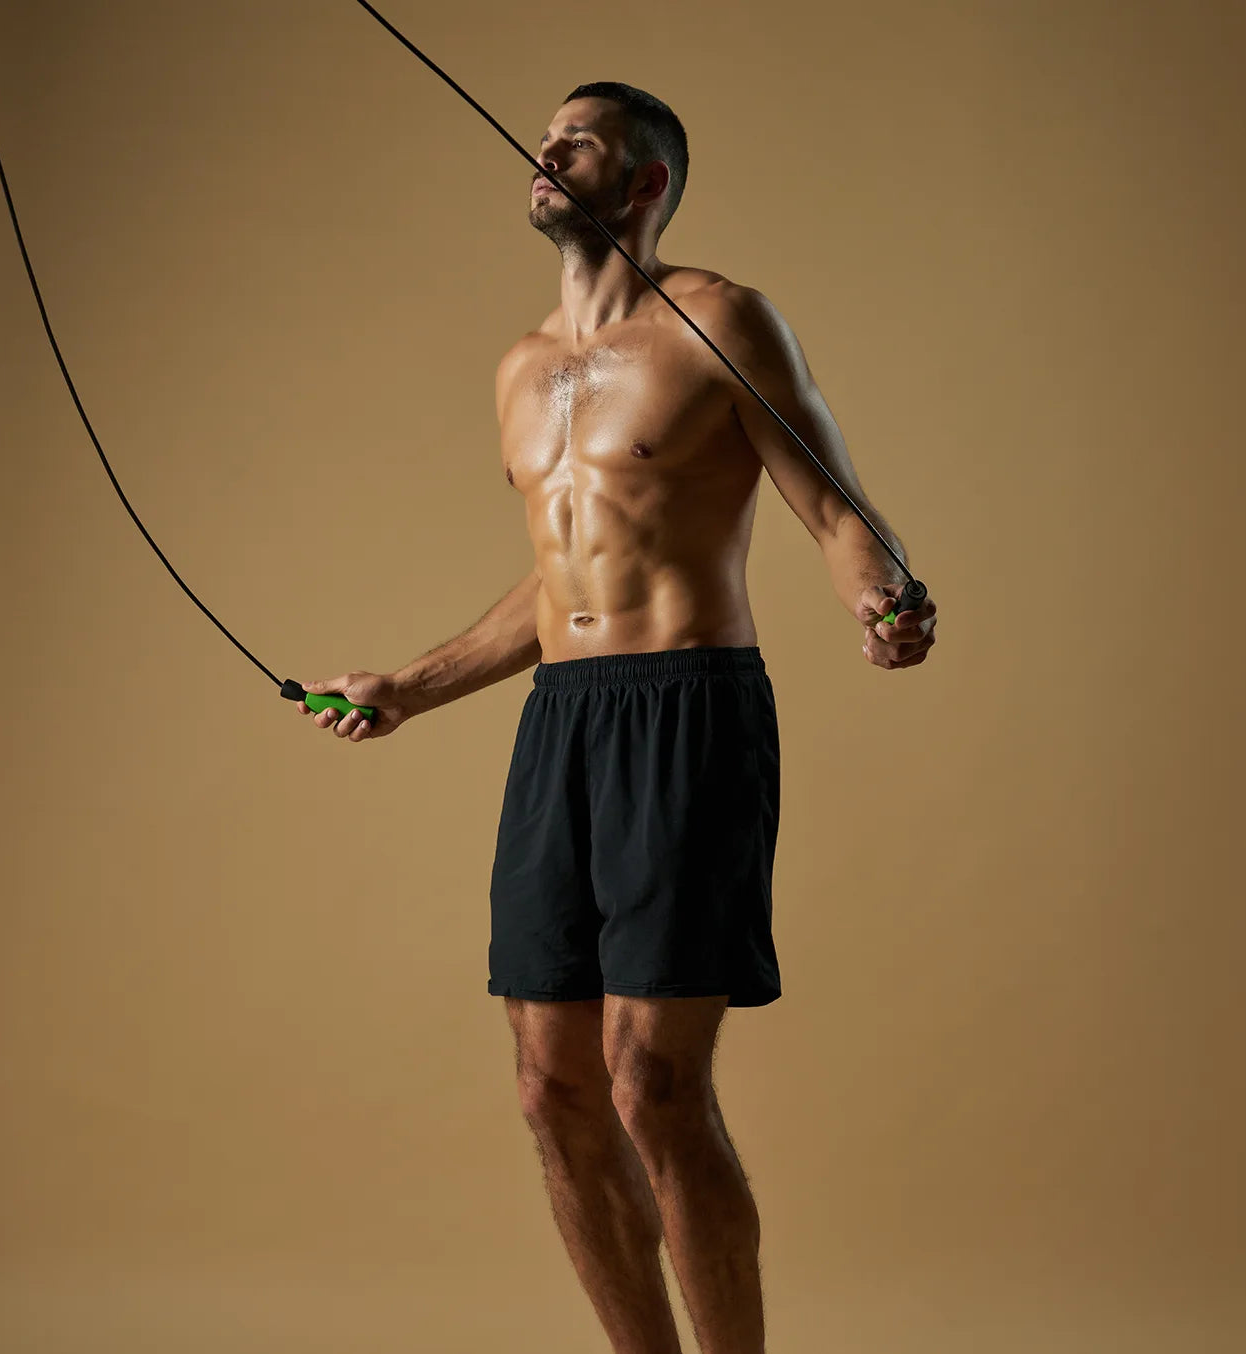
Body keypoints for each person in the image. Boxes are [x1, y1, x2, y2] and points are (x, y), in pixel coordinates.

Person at [295, 81, 937, 1354]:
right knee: (551, 1093)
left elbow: (825, 502)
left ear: (640, 184)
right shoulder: (521, 370)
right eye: (543, 138)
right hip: (563, 723)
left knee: (653, 1086)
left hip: (689, 711)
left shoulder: (718, 323)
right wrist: (409, 686)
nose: (543, 153)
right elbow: (559, 584)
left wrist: (884, 595)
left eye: (573, 142)